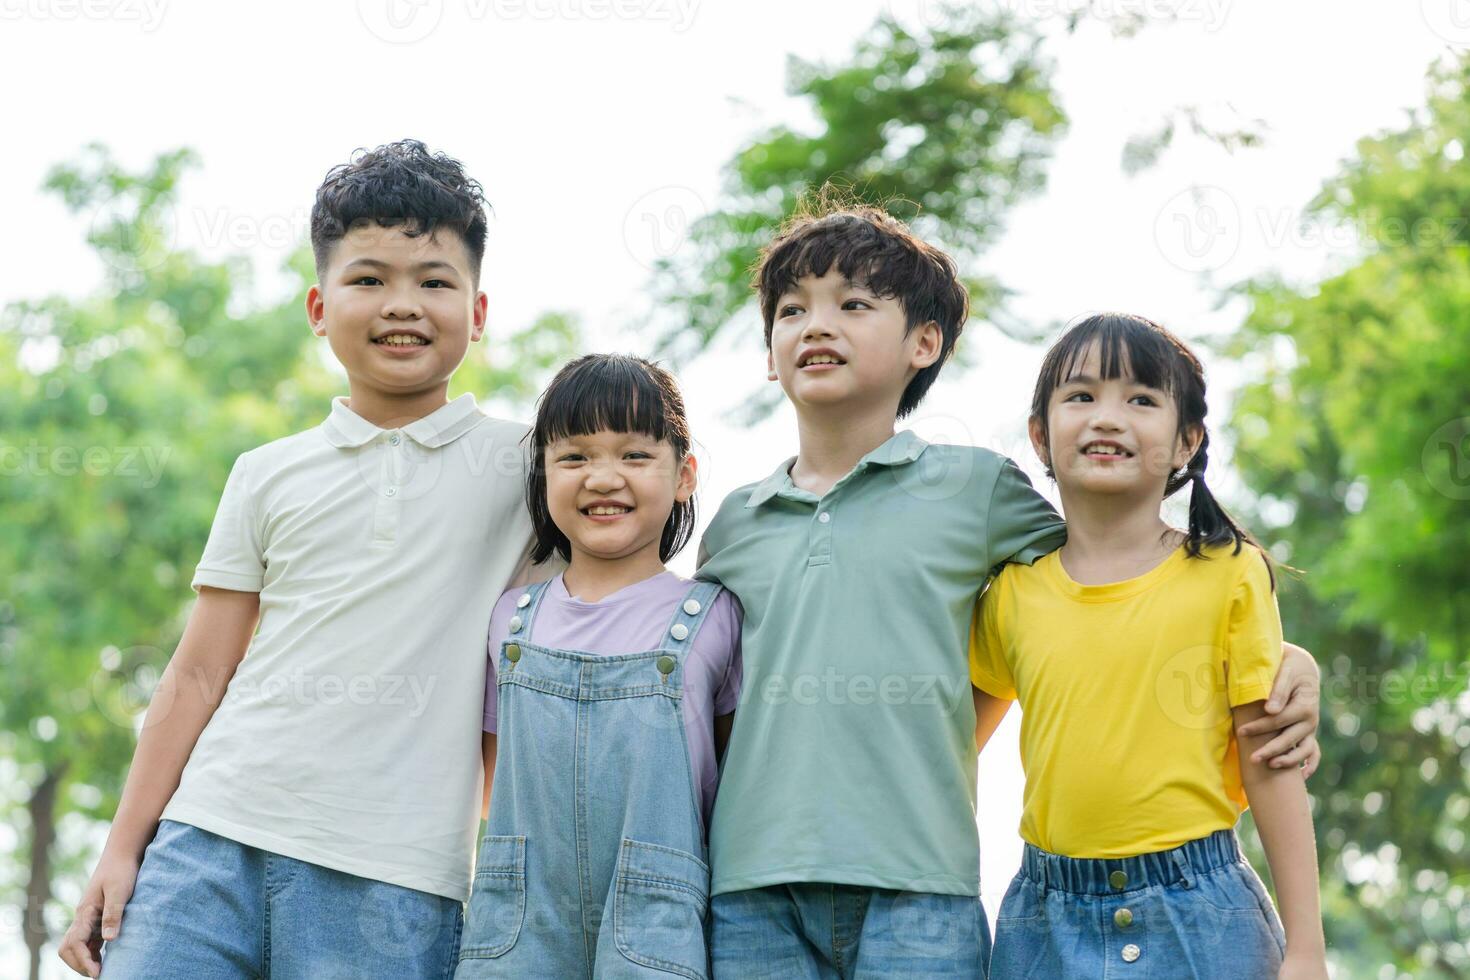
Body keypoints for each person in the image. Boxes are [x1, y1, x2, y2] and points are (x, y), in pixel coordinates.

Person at [696, 205, 1324, 978]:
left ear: (924, 343)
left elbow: (1117, 571)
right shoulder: (734, 526)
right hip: (757, 883)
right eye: (792, 310)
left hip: (930, 889)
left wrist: (1282, 655)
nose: (817, 325)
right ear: (769, 352)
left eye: (854, 304)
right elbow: (709, 699)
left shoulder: (975, 490)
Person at [58, 140, 549, 979]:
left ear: (479, 309)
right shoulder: (267, 472)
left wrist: (514, 880)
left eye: (435, 281)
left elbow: (530, 690)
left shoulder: (532, 469)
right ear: (320, 308)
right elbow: (197, 672)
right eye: (369, 279)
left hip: (399, 883)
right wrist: (119, 851)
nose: (404, 304)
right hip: (206, 847)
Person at [975, 313, 1328, 979]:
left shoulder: (1227, 572)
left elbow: (1270, 761)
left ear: (1187, 442)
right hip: (1043, 919)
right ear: (1039, 436)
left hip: (1199, 912)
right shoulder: (1013, 594)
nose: (1107, 417)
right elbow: (951, 749)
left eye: (1141, 399)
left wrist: (1307, 951)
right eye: (1080, 396)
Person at [455, 353, 741, 979]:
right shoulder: (510, 619)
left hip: (659, 933)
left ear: (684, 474)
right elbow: (495, 781)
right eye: (575, 457)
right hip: (516, 930)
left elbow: (728, 787)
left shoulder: (716, 616)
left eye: (635, 456)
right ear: (543, 475)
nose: (604, 477)